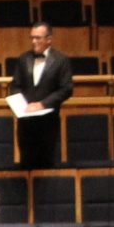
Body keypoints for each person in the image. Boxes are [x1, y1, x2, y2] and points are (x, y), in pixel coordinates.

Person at [9, 22, 74, 170]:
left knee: (47, 164)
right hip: (26, 122)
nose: (34, 41)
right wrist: (21, 104)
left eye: (38, 38)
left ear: (49, 39)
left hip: (48, 122)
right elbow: (15, 85)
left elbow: (66, 89)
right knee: (25, 164)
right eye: (32, 38)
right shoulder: (23, 58)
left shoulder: (61, 60)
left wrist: (42, 104)